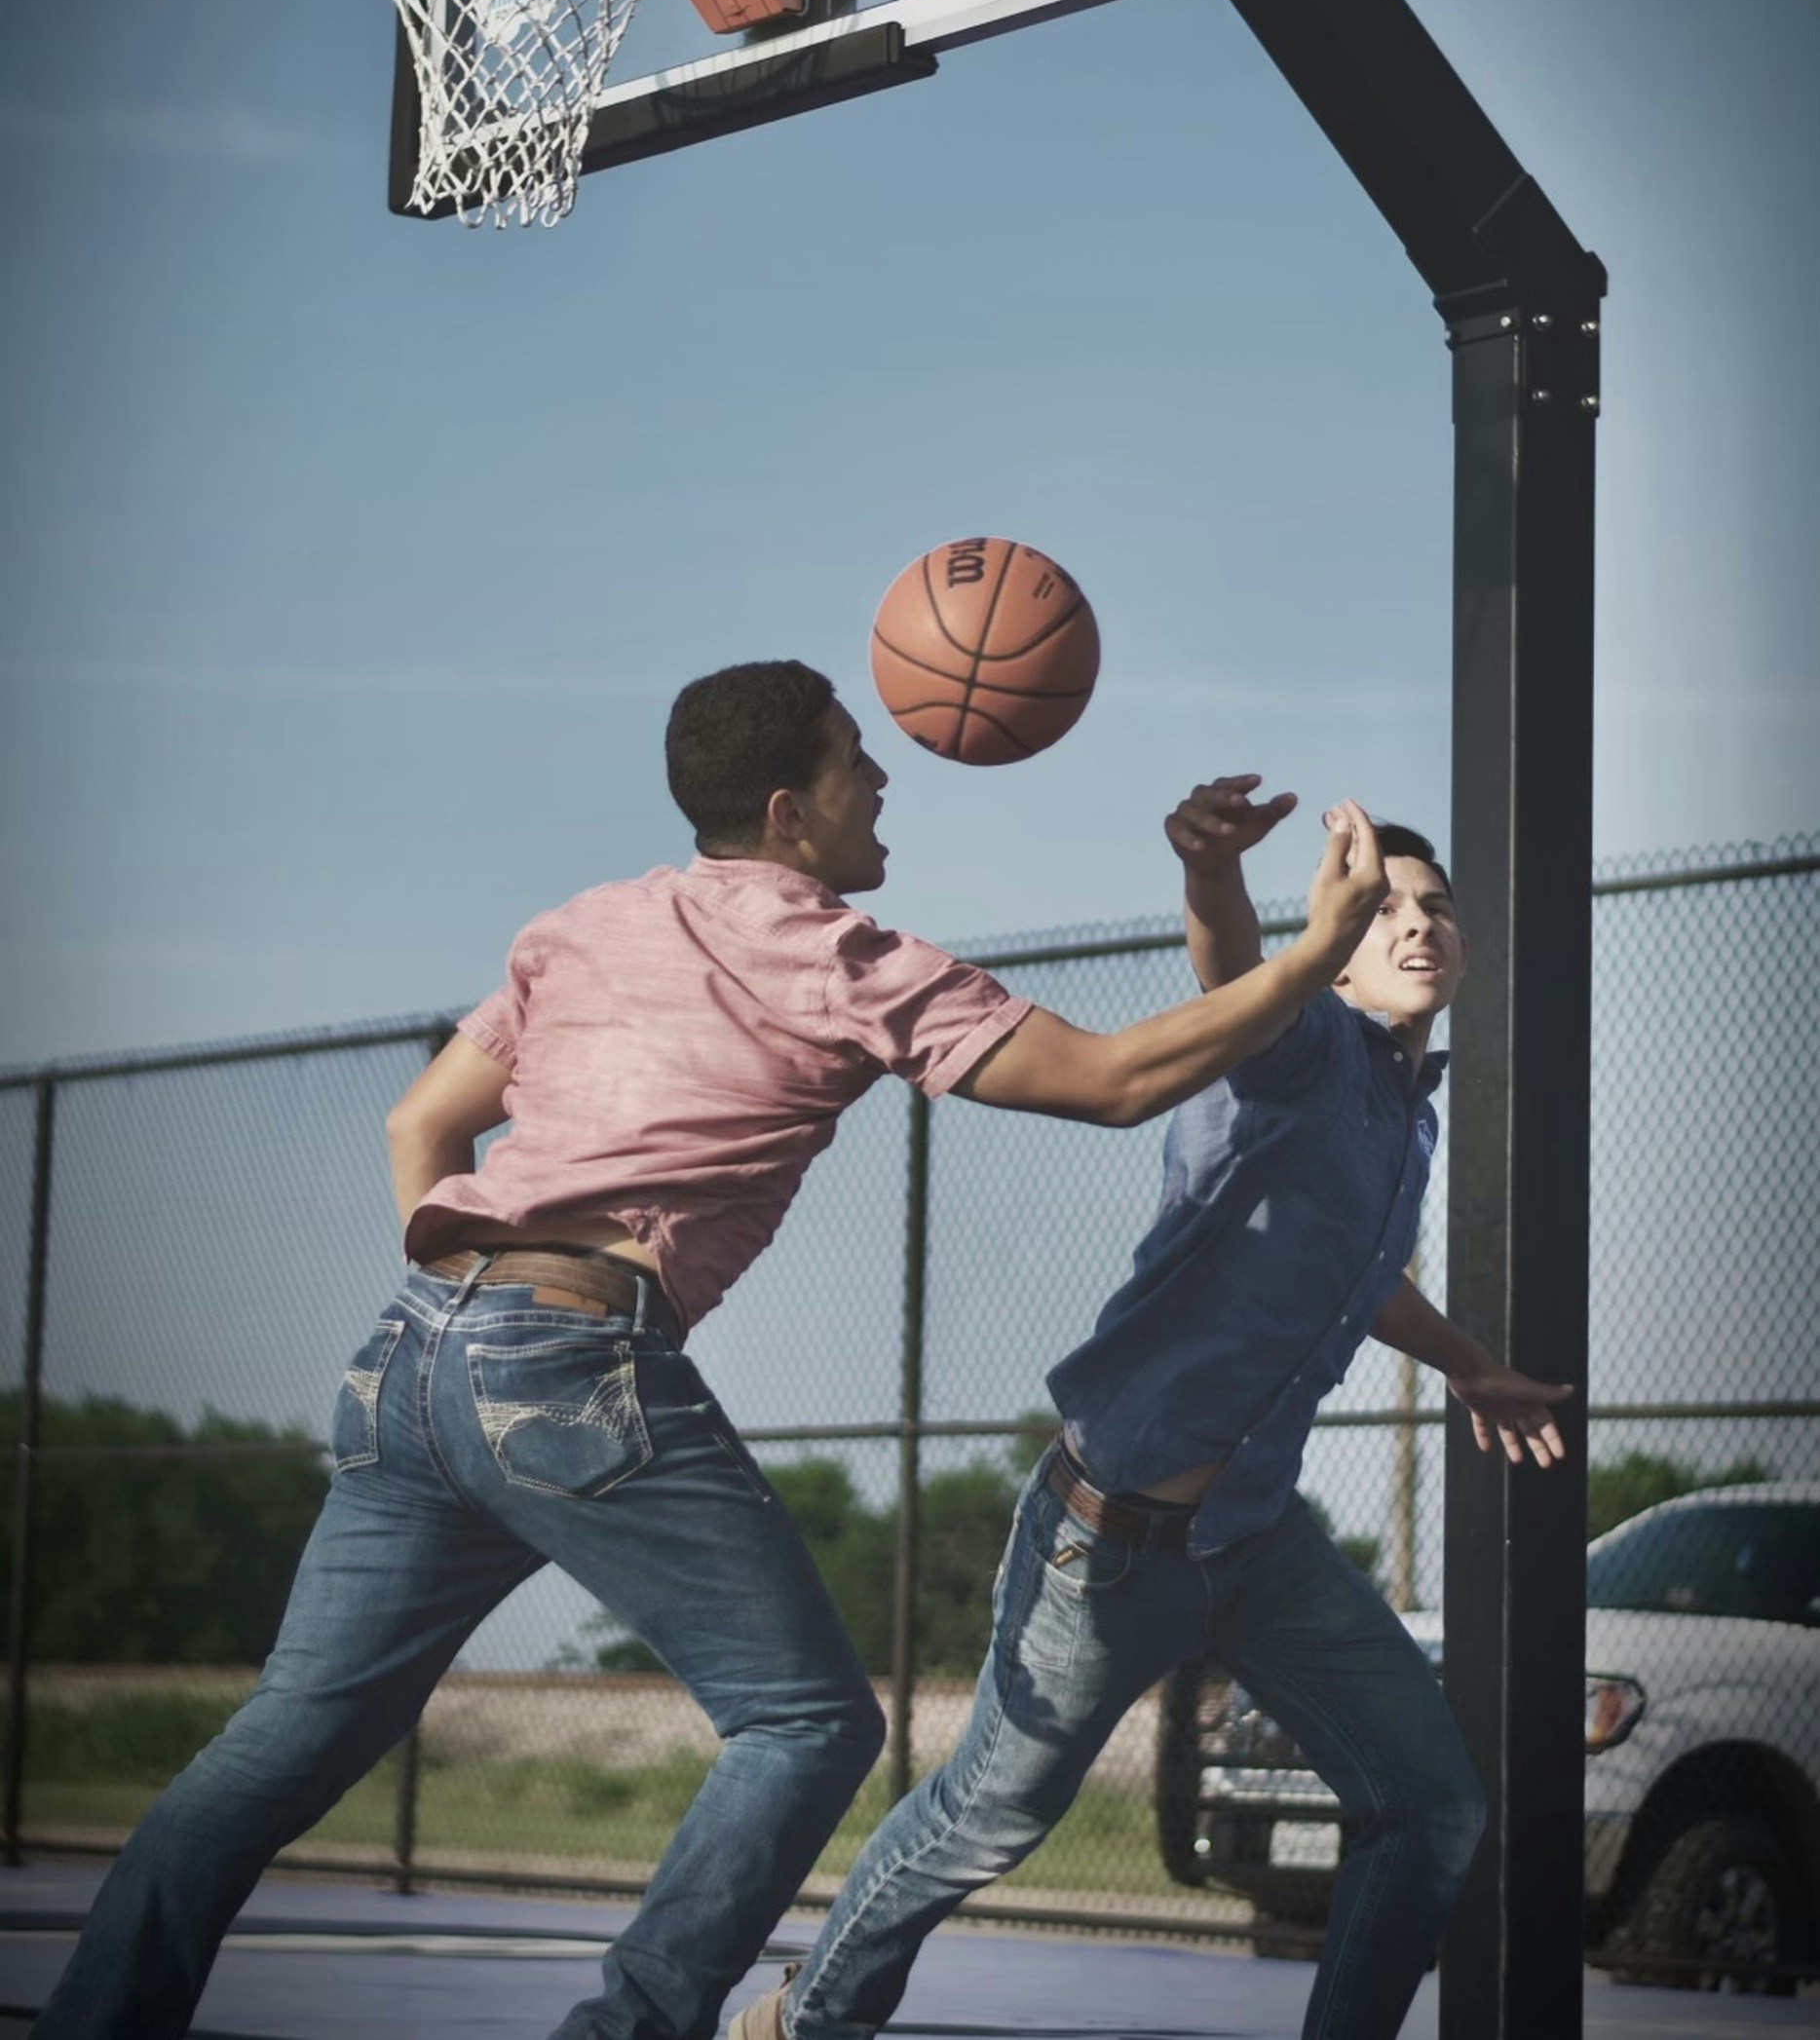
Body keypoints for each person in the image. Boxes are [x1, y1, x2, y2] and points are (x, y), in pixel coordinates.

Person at [37, 674, 1390, 2040]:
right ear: (793, 812)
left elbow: (418, 1127)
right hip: (571, 1359)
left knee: (273, 1748)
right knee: (808, 1722)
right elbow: (1109, 1082)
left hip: (410, 1355)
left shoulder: (581, 926)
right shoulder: (841, 956)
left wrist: (479, 1302)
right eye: (861, 762)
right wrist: (1309, 950)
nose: (886, 783)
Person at [732, 774, 1574, 2040]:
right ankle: (803, 2018)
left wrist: (1467, 1361)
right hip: (1112, 1538)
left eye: (1437, 907)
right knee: (987, 1815)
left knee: (1432, 1805)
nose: (1415, 924)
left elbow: (1357, 1275)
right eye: (1384, 906)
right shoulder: (1294, 1043)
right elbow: (1229, 962)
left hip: (1255, 1537)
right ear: (1338, 957)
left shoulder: (1407, 1114)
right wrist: (1213, 877)